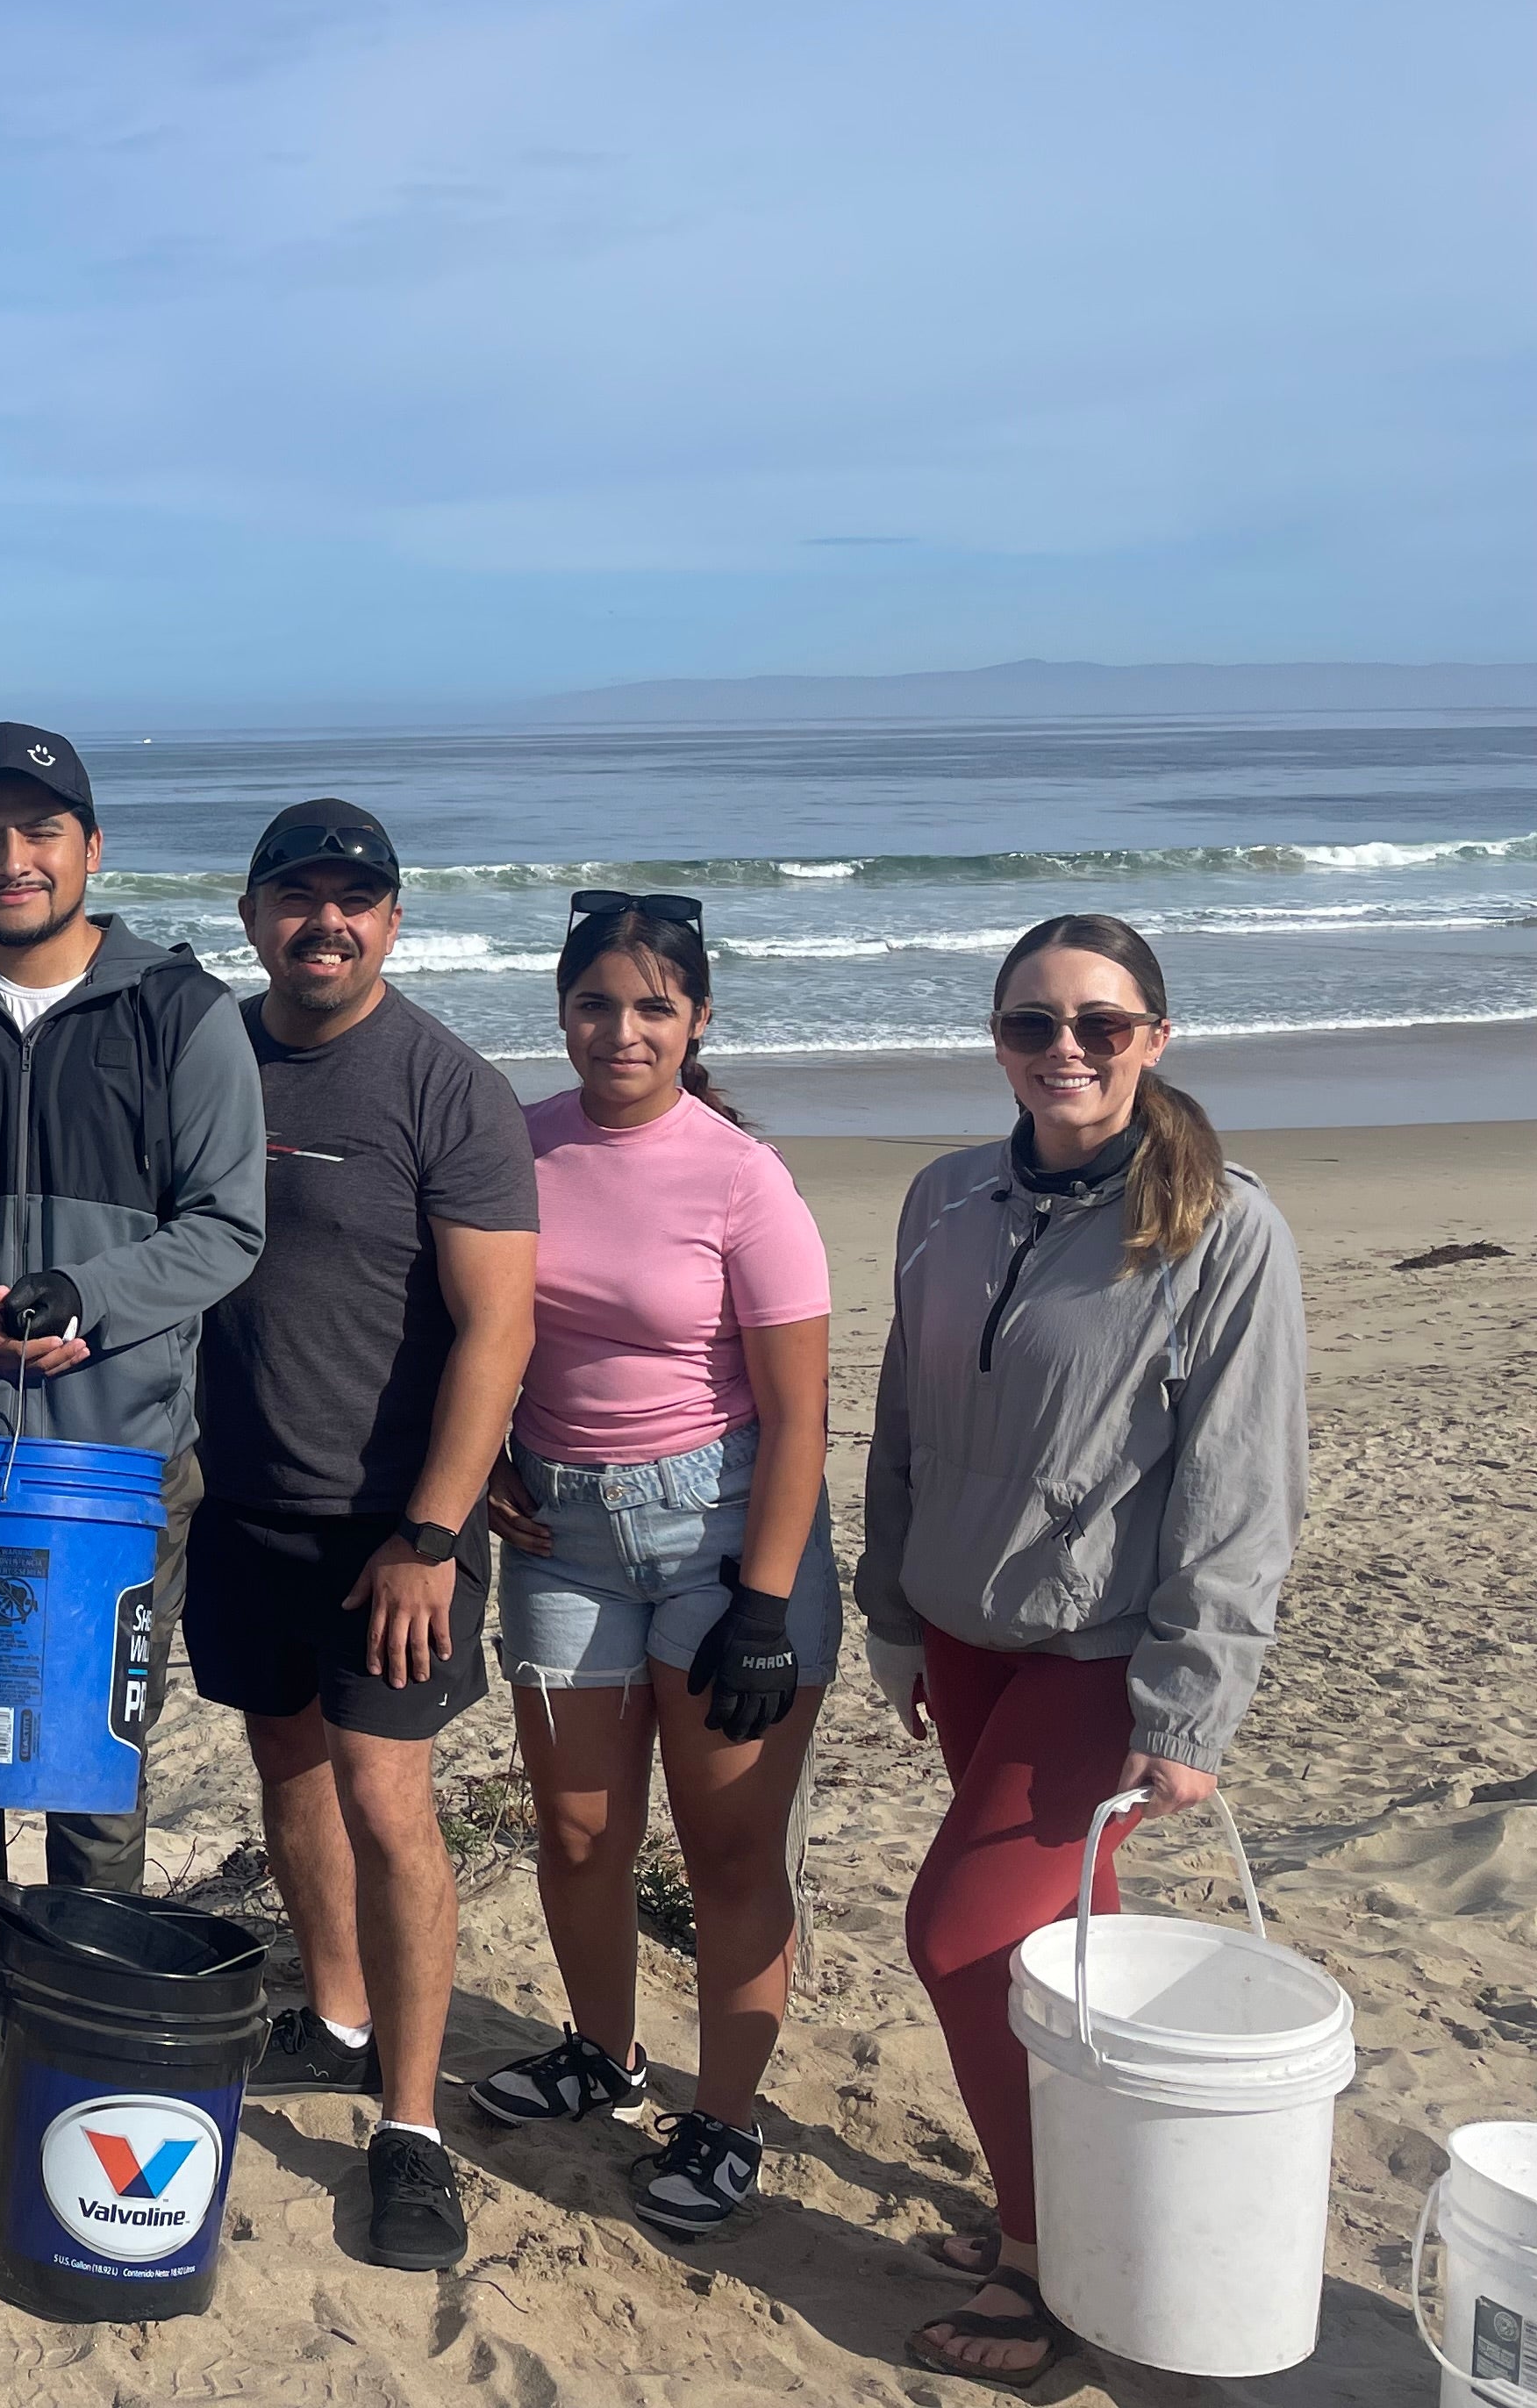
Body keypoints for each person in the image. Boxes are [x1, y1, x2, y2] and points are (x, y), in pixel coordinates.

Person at [861, 913, 1304, 2389]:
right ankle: (1086, 2207)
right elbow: (906, 1424)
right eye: (1031, 1025)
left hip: (1095, 1651)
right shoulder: (944, 1196)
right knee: (1070, 1958)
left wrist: (1192, 1706)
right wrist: (894, 1611)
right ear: (995, 1041)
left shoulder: (1223, 1226)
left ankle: (1048, 2263)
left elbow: (1243, 1486)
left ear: (1154, 1041)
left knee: (962, 1939)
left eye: (1099, 1026)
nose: (1064, 1051)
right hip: (967, 1635)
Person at [0, 723, 267, 2090]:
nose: (10, 860)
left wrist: (90, 1293)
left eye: (40, 833)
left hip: (127, 1460)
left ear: (91, 850)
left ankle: (82, 1982)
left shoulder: (181, 1012)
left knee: (102, 1745)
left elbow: (227, 1228)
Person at [186, 800, 536, 2272]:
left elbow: (496, 1327)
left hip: (393, 1526)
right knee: (287, 1760)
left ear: (393, 920)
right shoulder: (208, 1057)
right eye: (296, 896)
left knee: (392, 1801)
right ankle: (333, 2016)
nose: (324, 921)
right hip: (246, 1502)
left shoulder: (448, 1088)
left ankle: (410, 2127)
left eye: (355, 899)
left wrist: (435, 1534)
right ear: (255, 910)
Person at [463, 892, 837, 2245]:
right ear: (561, 1009)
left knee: (729, 1851)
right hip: (559, 1536)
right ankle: (603, 2055)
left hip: (721, 1536)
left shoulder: (742, 1173)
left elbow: (802, 1412)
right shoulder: (517, 1148)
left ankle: (726, 2120)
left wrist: (761, 1604)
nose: (620, 1031)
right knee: (576, 1830)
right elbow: (483, 1324)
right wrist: (492, 1451)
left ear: (696, 1019)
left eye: (652, 1006)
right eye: (594, 1004)